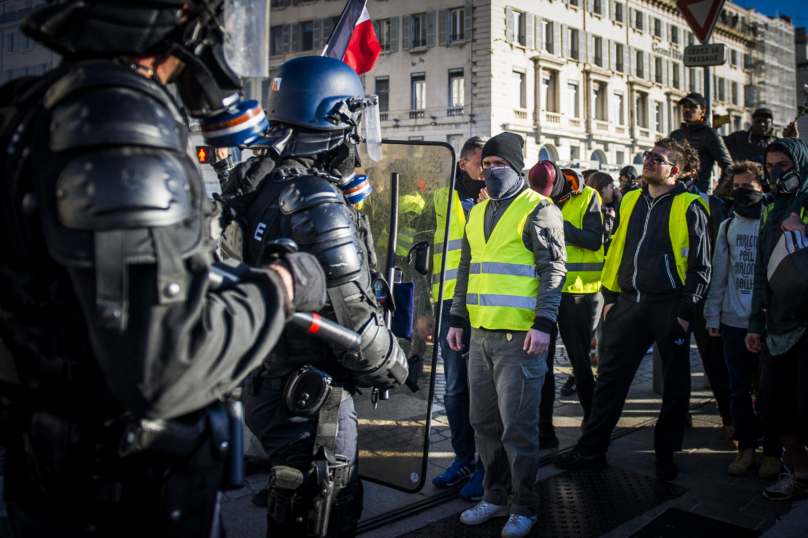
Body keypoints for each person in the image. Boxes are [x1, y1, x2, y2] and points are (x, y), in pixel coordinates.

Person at [0, 2, 329, 537]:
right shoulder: (118, 122)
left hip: (48, 475)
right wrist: (284, 285)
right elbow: (167, 363)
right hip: (126, 493)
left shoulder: (31, 108)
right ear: (177, 19)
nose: (220, 35)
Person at [216, 56, 411, 538]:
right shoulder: (315, 201)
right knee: (325, 512)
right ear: (334, 119)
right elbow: (356, 324)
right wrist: (397, 368)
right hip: (310, 400)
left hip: (267, 383)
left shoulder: (258, 185)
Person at [553, 138, 711, 481]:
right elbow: (619, 249)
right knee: (610, 378)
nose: (649, 160)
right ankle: (591, 449)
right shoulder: (634, 200)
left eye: (659, 158)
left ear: (677, 171)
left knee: (675, 383)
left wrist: (686, 311)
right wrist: (611, 297)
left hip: (670, 306)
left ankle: (665, 453)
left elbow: (701, 264)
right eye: (648, 156)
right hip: (628, 303)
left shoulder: (690, 205)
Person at [446, 133, 566, 538]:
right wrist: (456, 319)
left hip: (521, 338)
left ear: (517, 167)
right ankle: (494, 498)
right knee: (484, 425)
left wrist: (544, 324)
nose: (491, 169)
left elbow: (553, 270)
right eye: (487, 162)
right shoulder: (478, 213)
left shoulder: (539, 209)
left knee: (518, 428)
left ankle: (525, 506)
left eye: (499, 163)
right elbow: (466, 269)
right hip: (480, 336)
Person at [704, 161, 784, 479]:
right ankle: (745, 447)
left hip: (768, 322)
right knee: (738, 389)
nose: (741, 193)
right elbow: (720, 275)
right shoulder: (727, 225)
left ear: (762, 187)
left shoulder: (773, 219)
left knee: (770, 390)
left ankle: (775, 451)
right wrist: (713, 315)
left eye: (747, 187)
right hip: (733, 320)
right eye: (736, 187)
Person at [746, 137, 808, 502]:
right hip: (777, 324)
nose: (774, 173)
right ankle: (800, 472)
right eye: (769, 166)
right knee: (771, 406)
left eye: (782, 165)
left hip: (806, 322)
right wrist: (756, 323)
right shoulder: (770, 207)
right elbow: (759, 272)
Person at [430, 136, 488, 500]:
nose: (488, 170)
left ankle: (487, 466)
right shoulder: (440, 198)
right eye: (482, 163)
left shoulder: (500, 199)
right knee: (454, 390)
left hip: (486, 306)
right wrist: (423, 310)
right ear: (463, 163)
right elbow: (422, 248)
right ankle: (463, 459)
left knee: (486, 391)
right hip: (449, 305)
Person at [530, 166, 604, 433]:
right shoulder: (534, 198)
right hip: (546, 291)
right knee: (543, 365)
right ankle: (545, 427)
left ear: (558, 184)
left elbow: (595, 240)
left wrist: (557, 222)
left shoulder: (588, 197)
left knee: (580, 362)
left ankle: (592, 421)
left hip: (576, 292)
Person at [680, 143, 735, 447]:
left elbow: (719, 253)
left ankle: (730, 419)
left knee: (715, 362)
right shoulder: (654, 202)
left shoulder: (713, 205)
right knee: (675, 362)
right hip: (671, 295)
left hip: (703, 295)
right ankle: (679, 413)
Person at [670, 92, 733, 193]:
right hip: (674, 192)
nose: (687, 109)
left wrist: (719, 191)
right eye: (685, 106)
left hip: (698, 193)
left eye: (693, 106)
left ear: (703, 111)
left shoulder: (710, 134)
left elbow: (728, 165)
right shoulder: (675, 135)